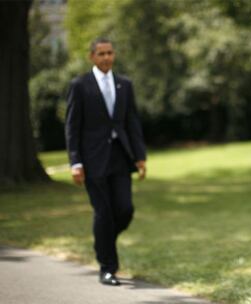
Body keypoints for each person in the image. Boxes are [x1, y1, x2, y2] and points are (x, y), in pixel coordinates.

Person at [65, 38, 146, 286]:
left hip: (121, 157)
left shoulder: (125, 84)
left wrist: (140, 156)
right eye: (101, 54)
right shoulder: (80, 86)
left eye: (110, 53)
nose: (106, 58)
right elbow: (72, 126)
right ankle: (107, 268)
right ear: (92, 56)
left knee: (125, 209)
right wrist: (75, 163)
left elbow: (132, 122)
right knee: (104, 213)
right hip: (93, 160)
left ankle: (104, 240)